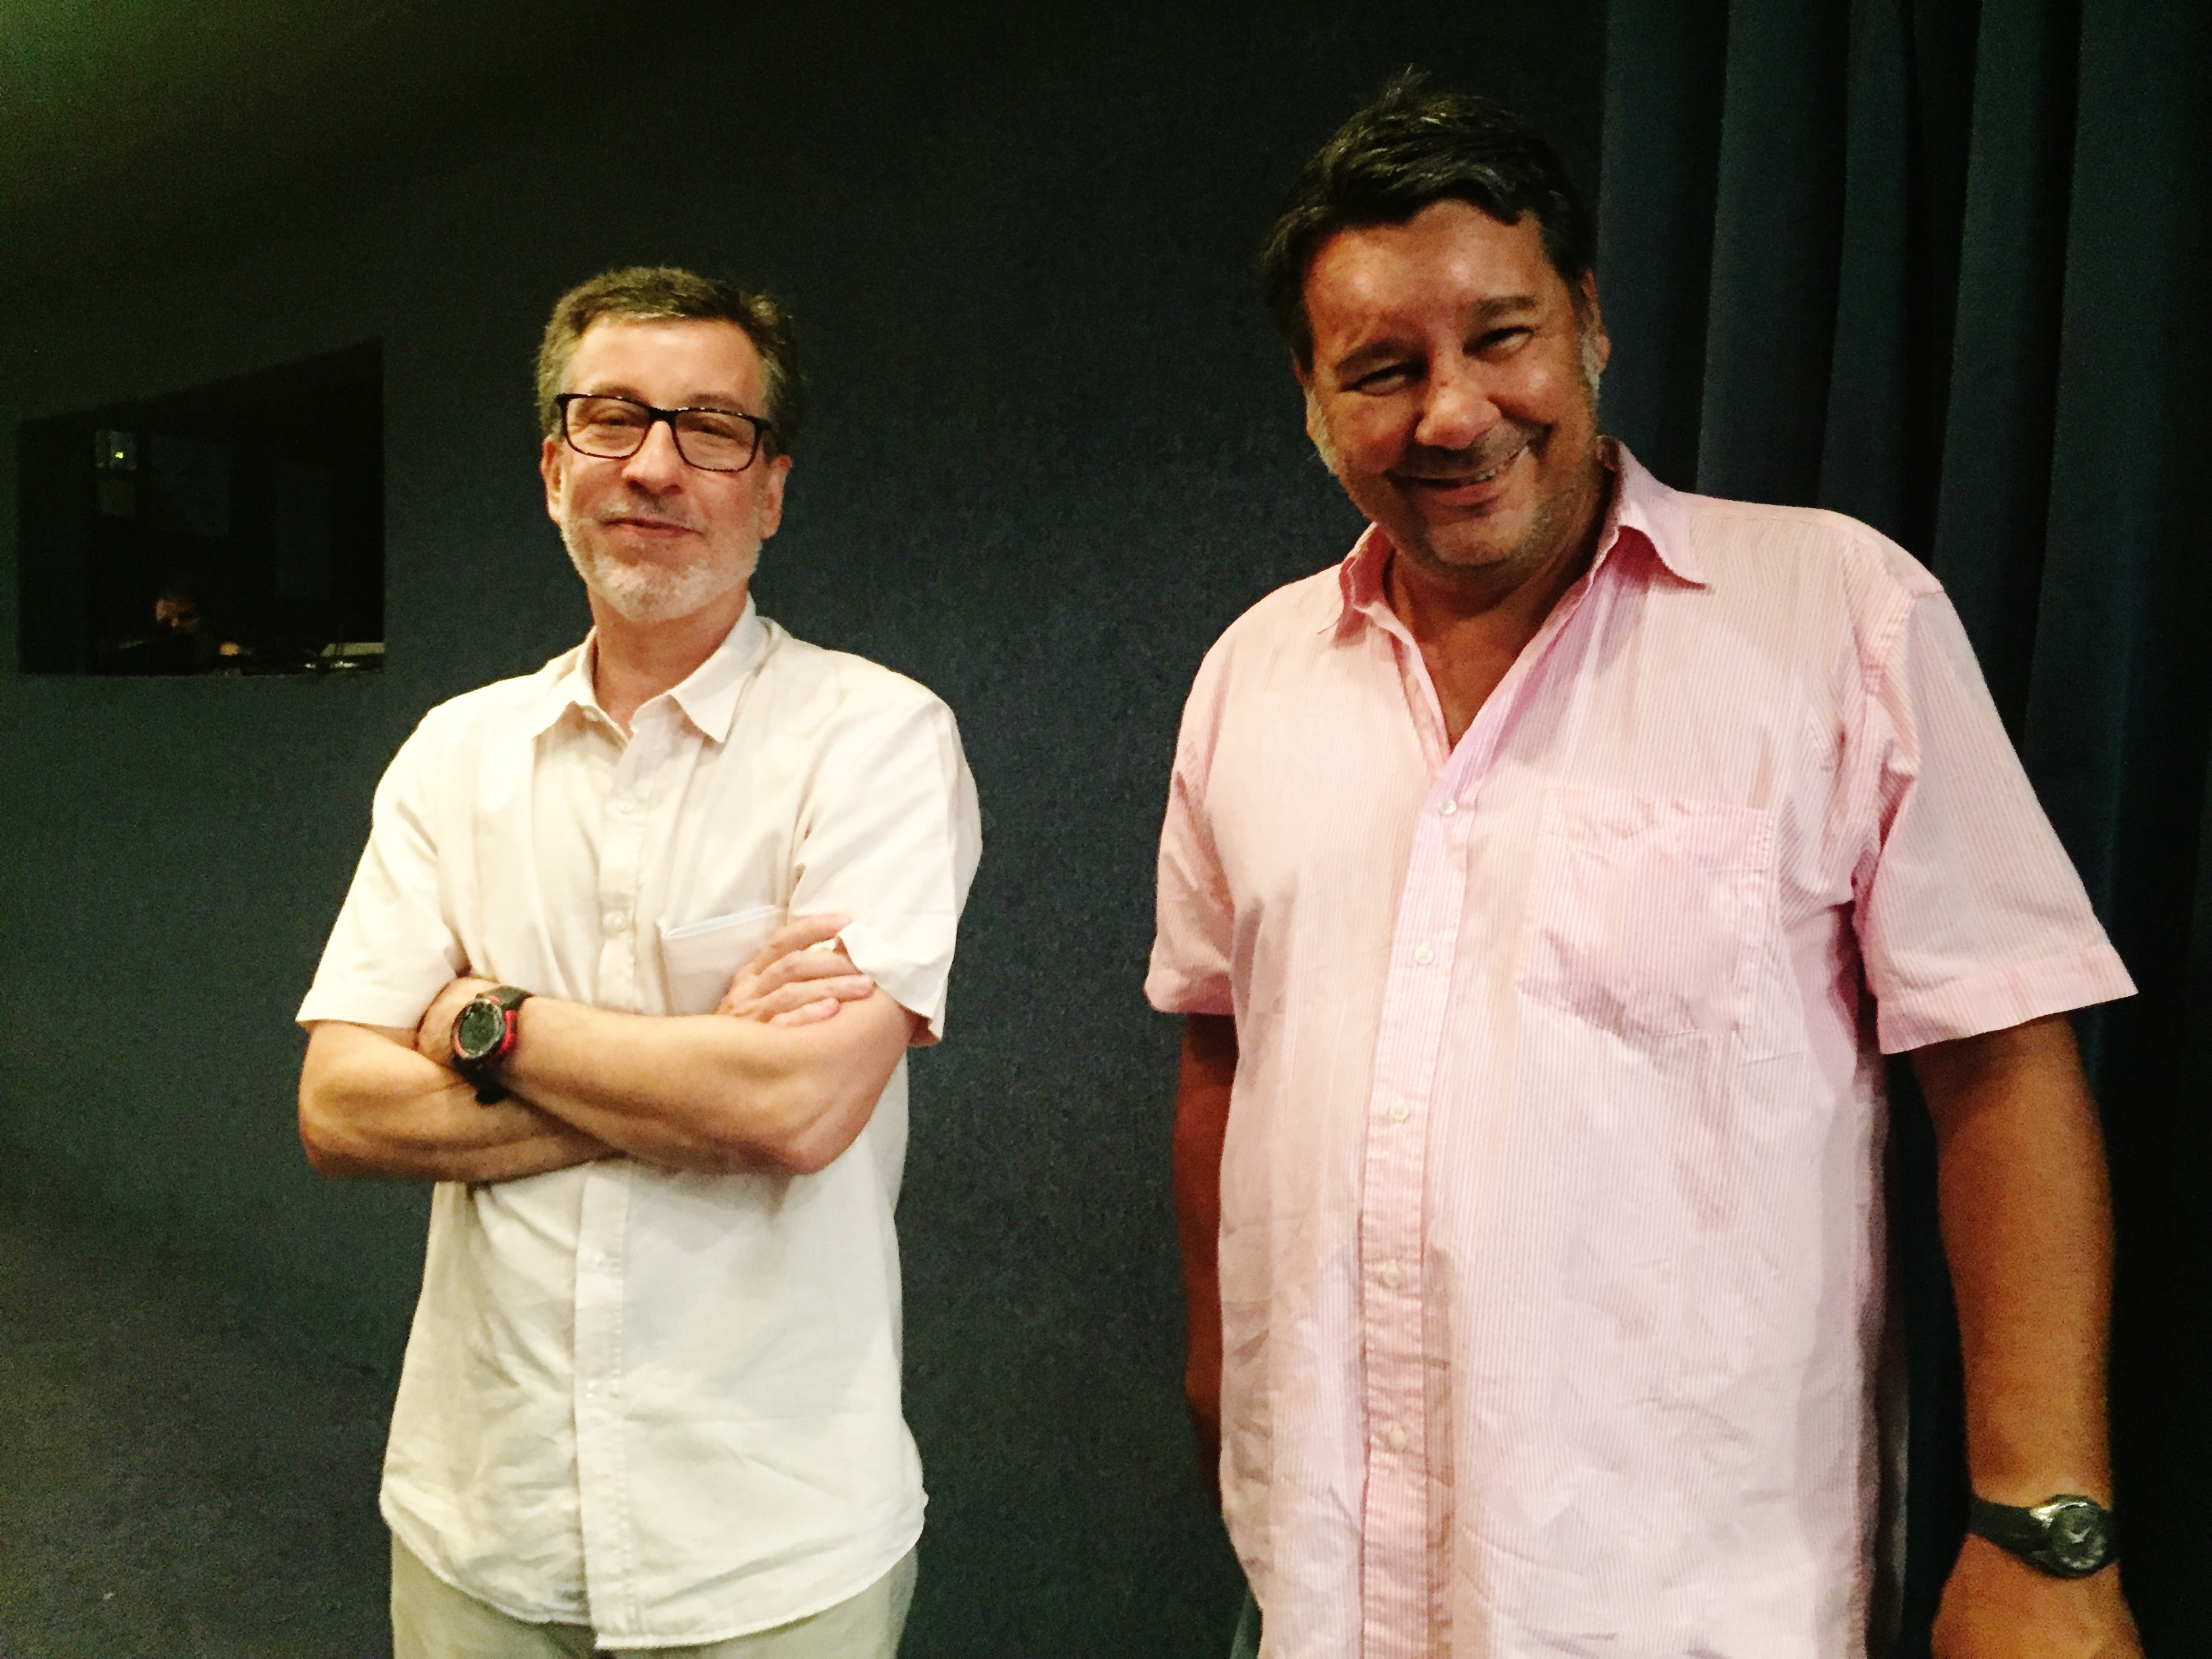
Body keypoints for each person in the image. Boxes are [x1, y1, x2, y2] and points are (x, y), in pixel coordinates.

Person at [1147, 78, 2142, 1659]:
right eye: (1383, 370)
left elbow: (2004, 1063)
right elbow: (1223, 1057)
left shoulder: (1836, 614)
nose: (1452, 414)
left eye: (1503, 337)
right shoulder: (1250, 677)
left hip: (1689, 1600)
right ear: (1312, 396)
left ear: (1591, 322)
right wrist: (1226, 1397)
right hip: (1331, 1585)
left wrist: (2046, 1532)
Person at [297, 266, 980, 1658]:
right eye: (612, 419)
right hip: (481, 1523)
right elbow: (342, 1109)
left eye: (712, 429)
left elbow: (797, 1108)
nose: (656, 466)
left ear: (770, 489)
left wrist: (486, 1020)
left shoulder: (879, 740)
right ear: (557, 469)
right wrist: (696, 1078)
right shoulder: (455, 753)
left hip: (769, 1548)